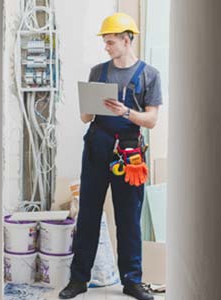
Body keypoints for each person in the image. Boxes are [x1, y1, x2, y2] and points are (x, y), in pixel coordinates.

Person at [59, 12, 162, 300]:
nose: (106, 47)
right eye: (105, 42)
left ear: (127, 39)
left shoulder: (149, 75)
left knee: (128, 219)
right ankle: (78, 280)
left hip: (129, 152)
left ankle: (132, 281)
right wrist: (90, 105)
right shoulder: (97, 72)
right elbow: (84, 117)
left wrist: (125, 112)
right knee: (89, 215)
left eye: (111, 41)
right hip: (96, 147)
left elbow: (152, 120)